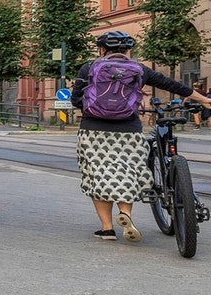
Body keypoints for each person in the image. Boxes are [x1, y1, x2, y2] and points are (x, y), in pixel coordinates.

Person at [73, 31, 211, 241]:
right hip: (128, 129)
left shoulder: (89, 68)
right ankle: (125, 214)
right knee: (126, 173)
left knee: (97, 175)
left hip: (93, 129)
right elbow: (172, 85)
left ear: (101, 50)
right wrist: (203, 100)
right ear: (128, 50)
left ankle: (107, 228)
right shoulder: (140, 70)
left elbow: (76, 100)